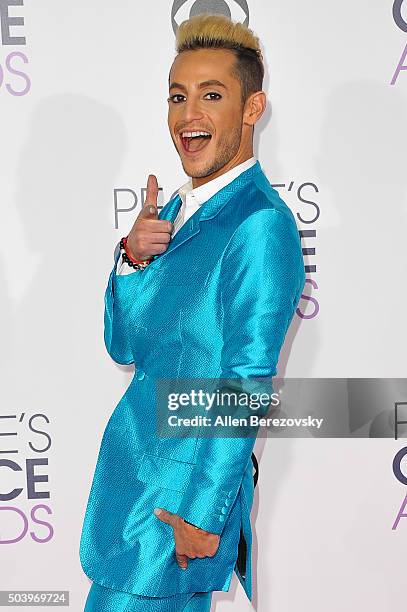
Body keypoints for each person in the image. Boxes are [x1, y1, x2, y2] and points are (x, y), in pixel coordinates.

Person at [79, 12, 305, 612]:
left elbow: (247, 382)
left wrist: (202, 516)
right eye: (178, 97)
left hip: (179, 520)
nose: (188, 116)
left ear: (253, 108)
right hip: (134, 499)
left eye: (212, 95)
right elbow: (124, 346)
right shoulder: (176, 210)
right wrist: (131, 258)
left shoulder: (259, 225)